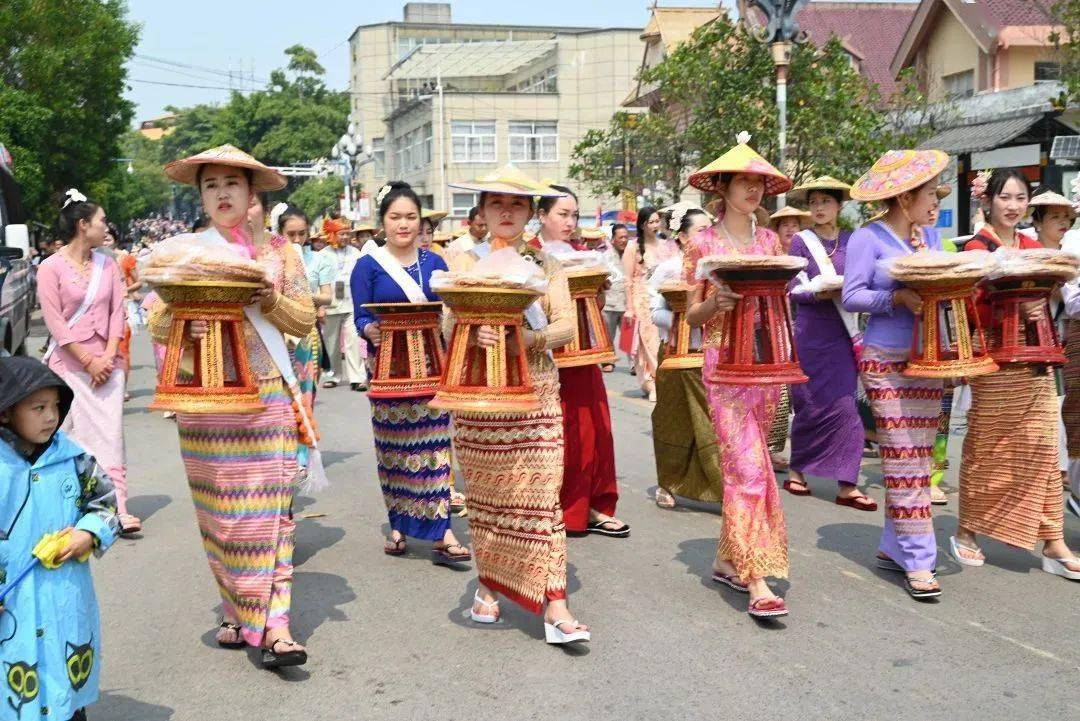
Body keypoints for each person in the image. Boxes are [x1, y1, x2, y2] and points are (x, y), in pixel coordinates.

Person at [151, 144, 316, 667]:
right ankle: (236, 608)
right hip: (205, 403)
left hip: (267, 395)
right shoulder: (185, 253)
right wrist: (184, 322)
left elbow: (304, 320)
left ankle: (277, 625)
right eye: (211, 185)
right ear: (201, 196)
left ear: (251, 195)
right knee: (221, 517)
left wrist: (267, 296)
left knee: (273, 513)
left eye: (232, 184)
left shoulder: (281, 256)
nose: (222, 193)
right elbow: (154, 320)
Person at [446, 165, 590, 644]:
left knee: (542, 499)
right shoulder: (463, 261)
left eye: (516, 205)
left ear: (530, 213)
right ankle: (489, 583)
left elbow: (567, 327)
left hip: (537, 391)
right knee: (489, 499)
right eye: (496, 204)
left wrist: (525, 340)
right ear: (483, 212)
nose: (506, 212)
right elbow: (447, 328)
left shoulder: (546, 265)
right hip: (479, 395)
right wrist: (473, 330)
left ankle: (555, 603)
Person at [683, 134, 791, 619]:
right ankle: (756, 576)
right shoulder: (701, 242)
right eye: (744, 181)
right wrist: (716, 304)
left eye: (760, 183)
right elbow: (690, 315)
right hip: (723, 362)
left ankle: (729, 558)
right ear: (723, 187)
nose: (753, 190)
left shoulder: (771, 241)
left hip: (766, 363)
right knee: (745, 466)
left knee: (755, 460)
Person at [953, 168, 1080, 580]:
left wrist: (1042, 299)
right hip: (995, 358)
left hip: (1037, 358)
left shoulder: (1031, 245)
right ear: (988, 201)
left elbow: (1053, 292)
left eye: (1020, 198)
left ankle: (1053, 541)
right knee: (989, 444)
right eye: (1005, 197)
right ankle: (968, 530)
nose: (1012, 206)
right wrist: (1009, 307)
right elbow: (966, 307)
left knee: (1044, 447)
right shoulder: (975, 247)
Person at [844, 149, 948, 600]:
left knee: (918, 460)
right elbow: (852, 296)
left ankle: (894, 545)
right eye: (929, 195)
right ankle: (920, 558)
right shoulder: (868, 237)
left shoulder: (934, 238)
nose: (936, 203)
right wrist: (896, 300)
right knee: (904, 457)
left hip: (928, 359)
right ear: (904, 198)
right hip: (886, 359)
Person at [351, 182, 469, 562]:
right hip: (388, 369)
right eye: (395, 217)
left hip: (432, 367)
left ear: (421, 221)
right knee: (395, 449)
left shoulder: (435, 263)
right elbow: (361, 317)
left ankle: (442, 530)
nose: (403, 224)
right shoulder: (367, 266)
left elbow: (450, 313)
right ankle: (399, 523)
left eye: (411, 217)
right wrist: (370, 330)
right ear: (382, 222)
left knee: (434, 448)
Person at [0, 356, 122, 721]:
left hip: (62, 600)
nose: (51, 417)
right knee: (13, 691)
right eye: (38, 408)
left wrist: (89, 533)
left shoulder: (74, 459)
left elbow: (106, 504)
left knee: (63, 684)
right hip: (12, 607)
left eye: (55, 406)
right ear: (5, 413)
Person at [36, 189, 140, 535]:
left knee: (111, 436)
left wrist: (108, 356)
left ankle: (117, 507)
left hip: (108, 365)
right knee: (70, 437)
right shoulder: (49, 268)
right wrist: (87, 359)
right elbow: (55, 322)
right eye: (101, 221)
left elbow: (116, 312)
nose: (105, 226)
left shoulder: (108, 264)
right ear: (83, 225)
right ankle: (69, 506)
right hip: (69, 366)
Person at [533, 184, 627, 537]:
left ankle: (592, 505)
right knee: (552, 431)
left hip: (582, 353)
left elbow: (592, 310)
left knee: (590, 428)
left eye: (574, 214)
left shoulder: (585, 255)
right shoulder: (530, 257)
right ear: (541, 216)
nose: (570, 222)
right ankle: (549, 505)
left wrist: (597, 294)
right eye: (562, 214)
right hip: (542, 354)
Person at [782, 177, 873, 509]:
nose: (819, 208)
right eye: (814, 202)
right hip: (811, 332)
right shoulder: (801, 242)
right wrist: (820, 291)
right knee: (809, 403)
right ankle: (798, 468)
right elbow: (793, 288)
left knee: (846, 406)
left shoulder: (853, 241)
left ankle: (847, 483)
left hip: (843, 332)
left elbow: (864, 282)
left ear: (839, 205)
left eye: (825, 202)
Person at [651, 206, 723, 509]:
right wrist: (688, 320)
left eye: (710, 229)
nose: (707, 236)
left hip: (711, 354)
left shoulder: (718, 269)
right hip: (676, 354)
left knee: (713, 424)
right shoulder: (669, 269)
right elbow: (655, 313)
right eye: (699, 230)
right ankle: (668, 482)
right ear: (681, 237)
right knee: (673, 420)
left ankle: (723, 490)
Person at [624, 207, 680, 401]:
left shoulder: (667, 245)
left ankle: (663, 380)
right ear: (642, 224)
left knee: (663, 338)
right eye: (651, 222)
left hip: (661, 298)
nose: (656, 225)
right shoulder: (633, 247)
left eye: (657, 221)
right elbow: (628, 280)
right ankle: (653, 382)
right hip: (642, 299)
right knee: (648, 341)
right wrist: (630, 308)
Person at [278, 205, 334, 396]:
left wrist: (307, 297)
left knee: (307, 390)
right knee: (283, 394)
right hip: (279, 329)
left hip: (307, 329)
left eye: (302, 233)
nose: (297, 239)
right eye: (290, 234)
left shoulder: (319, 260)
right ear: (280, 233)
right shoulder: (273, 260)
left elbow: (327, 296)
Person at [319, 217, 367, 391]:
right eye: (342, 234)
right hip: (331, 303)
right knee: (331, 342)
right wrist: (320, 306)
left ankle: (358, 377)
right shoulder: (322, 255)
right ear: (332, 234)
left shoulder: (356, 253)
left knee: (354, 341)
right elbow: (318, 282)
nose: (346, 237)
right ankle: (333, 375)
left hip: (352, 302)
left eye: (348, 233)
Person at [602, 223, 629, 372]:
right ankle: (608, 361)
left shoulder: (633, 255)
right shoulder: (605, 257)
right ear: (613, 239)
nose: (624, 240)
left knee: (630, 335)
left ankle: (634, 364)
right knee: (608, 335)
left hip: (627, 301)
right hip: (610, 301)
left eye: (626, 237)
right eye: (621, 237)